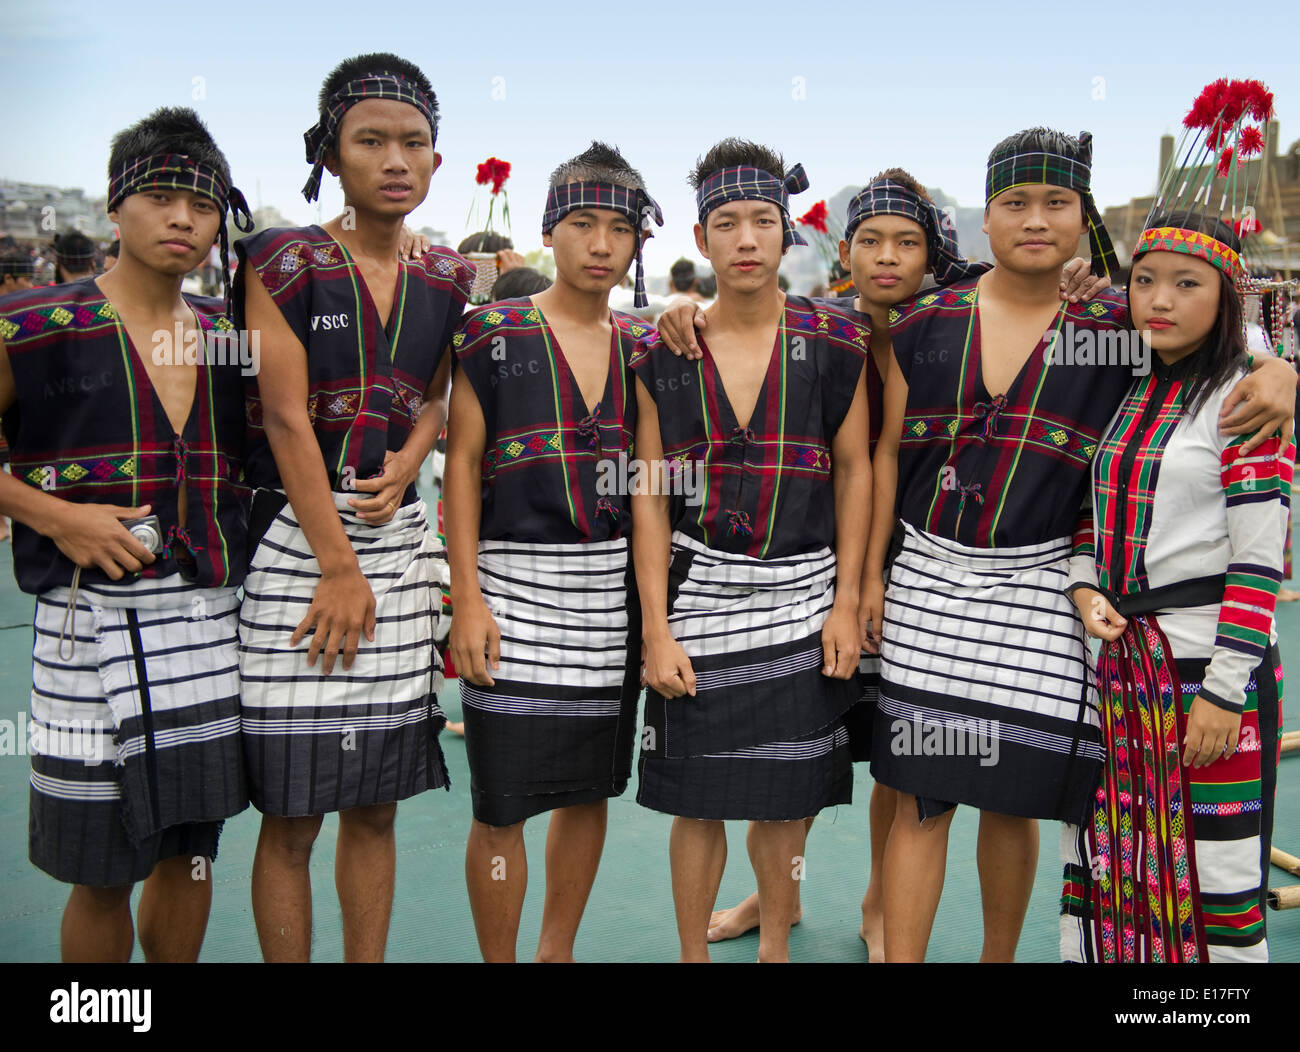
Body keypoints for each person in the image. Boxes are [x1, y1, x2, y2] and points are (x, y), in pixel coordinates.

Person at [860, 127, 1297, 963]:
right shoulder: (925, 321)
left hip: (1052, 595)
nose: (1035, 219)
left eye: (1056, 203)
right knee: (920, 791)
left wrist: (1279, 369)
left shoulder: (1115, 325)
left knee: (1016, 796)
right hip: (941, 585)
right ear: (984, 219)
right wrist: (870, 582)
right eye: (1014, 203)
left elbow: (1207, 334)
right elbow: (882, 454)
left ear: (1081, 215)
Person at [234, 51, 474, 962]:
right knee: (293, 811)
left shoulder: (446, 276)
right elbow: (288, 420)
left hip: (399, 541)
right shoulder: (284, 259)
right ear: (332, 154)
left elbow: (435, 399)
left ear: (436, 161)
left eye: (414, 142)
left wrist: (415, 451)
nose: (395, 159)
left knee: (374, 804)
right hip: (301, 546)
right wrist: (336, 566)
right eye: (370, 140)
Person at [0, 106, 253, 962]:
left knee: (189, 854)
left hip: (207, 625)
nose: (184, 219)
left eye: (204, 203)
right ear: (116, 207)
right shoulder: (29, 326)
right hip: (85, 627)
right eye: (160, 196)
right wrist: (50, 512)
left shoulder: (229, 337)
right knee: (99, 869)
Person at [631, 138, 871, 963]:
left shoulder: (836, 343)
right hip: (698, 600)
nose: (744, 239)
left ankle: (775, 942)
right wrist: (654, 630)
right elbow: (650, 494)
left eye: (762, 221)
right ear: (700, 239)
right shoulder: (664, 351)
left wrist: (847, 605)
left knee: (783, 795)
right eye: (725, 223)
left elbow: (854, 471)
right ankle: (691, 955)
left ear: (785, 234)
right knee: (694, 799)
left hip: (805, 599)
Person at [446, 141, 660, 962]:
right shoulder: (490, 333)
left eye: (618, 228)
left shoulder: (643, 348)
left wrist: (652, 620)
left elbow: (647, 489)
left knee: (587, 790)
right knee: (500, 804)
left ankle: (555, 952)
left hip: (609, 603)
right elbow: (461, 469)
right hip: (508, 591)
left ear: (638, 243)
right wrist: (466, 599)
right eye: (582, 224)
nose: (600, 244)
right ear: (548, 230)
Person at [1062, 212, 1292, 963]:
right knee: (1116, 863)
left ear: (1226, 297)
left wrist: (1226, 692)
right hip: (1119, 671)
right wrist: (1083, 587)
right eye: (1145, 280)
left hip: (1208, 670)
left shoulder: (1247, 401)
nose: (1158, 299)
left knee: (1214, 875)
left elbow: (1260, 564)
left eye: (1187, 284)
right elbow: (1091, 520)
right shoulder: (1125, 389)